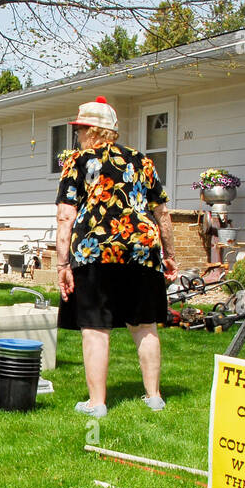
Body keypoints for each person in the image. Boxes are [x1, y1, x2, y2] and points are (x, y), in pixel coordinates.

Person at [55, 97, 177, 417]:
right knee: (144, 325)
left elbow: (65, 216)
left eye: (81, 130)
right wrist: (169, 254)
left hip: (95, 251)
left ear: (95, 132)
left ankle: (97, 404)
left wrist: (62, 263)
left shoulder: (78, 162)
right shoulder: (142, 162)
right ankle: (154, 397)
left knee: (96, 328)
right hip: (141, 249)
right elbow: (162, 213)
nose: (78, 136)